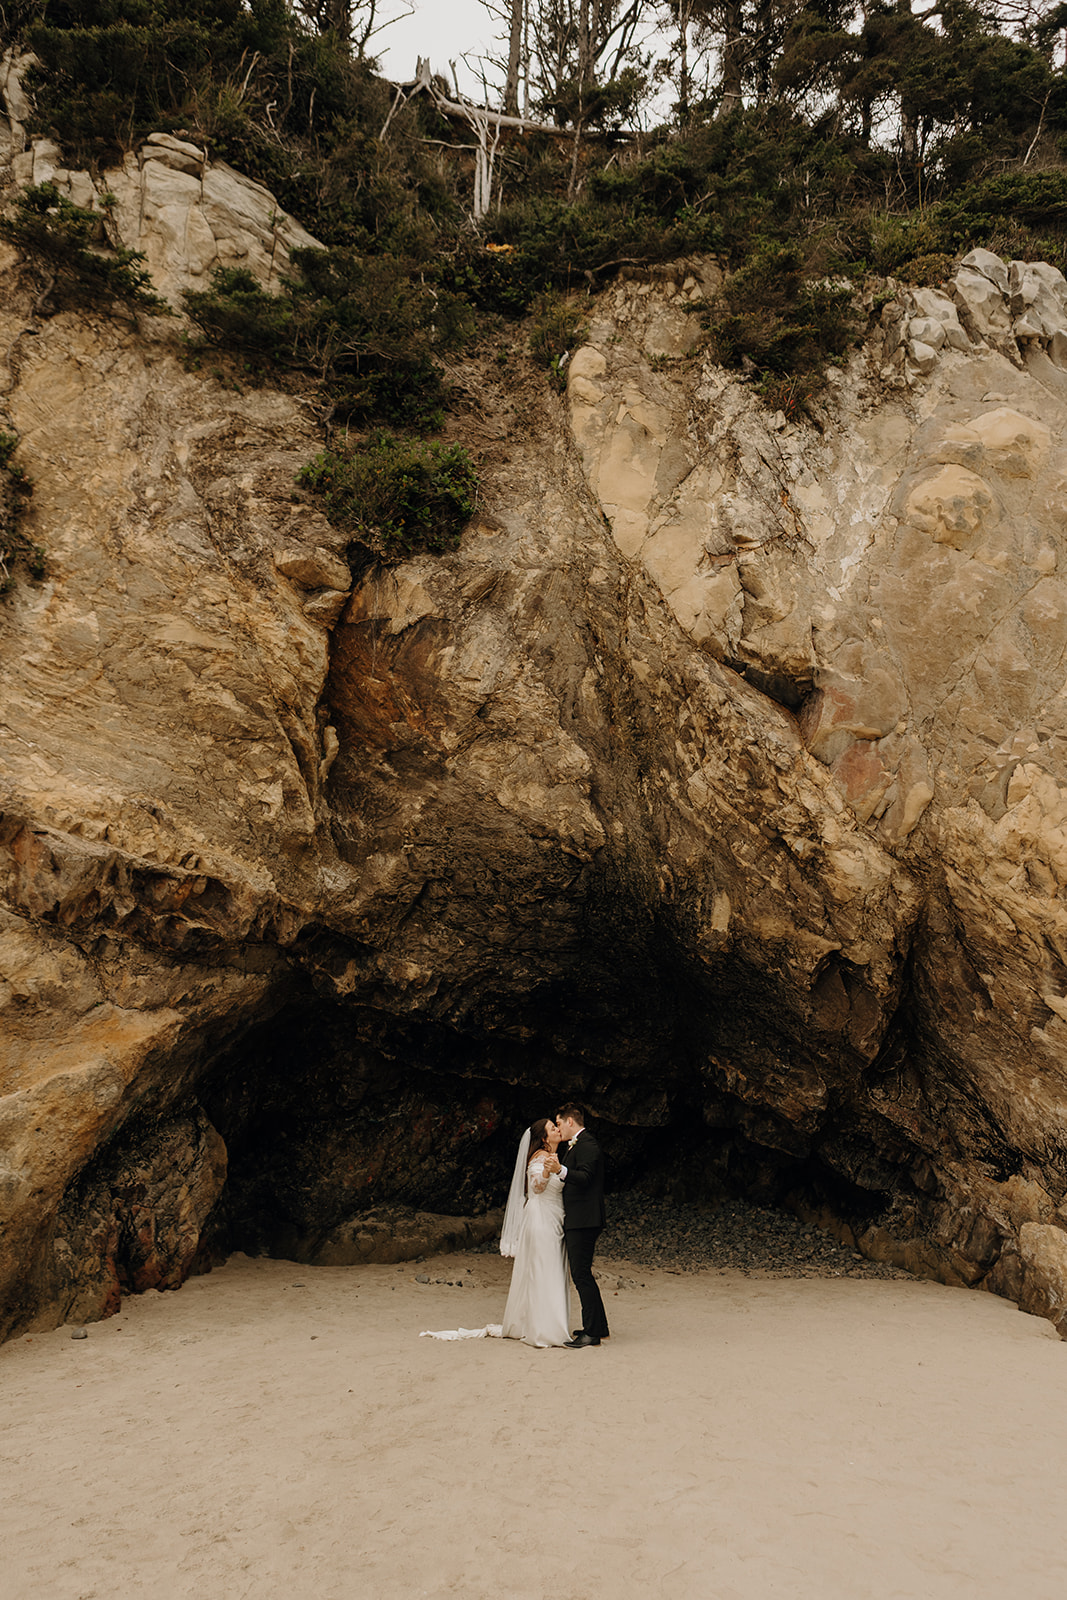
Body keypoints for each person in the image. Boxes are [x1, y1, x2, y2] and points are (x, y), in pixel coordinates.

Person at [499, 1117, 571, 1348]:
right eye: (553, 1128)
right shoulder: (539, 1157)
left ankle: (549, 1324)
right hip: (540, 1218)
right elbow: (536, 1188)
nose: (558, 1130)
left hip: (555, 1216)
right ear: (543, 1138)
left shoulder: (557, 1156)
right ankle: (543, 1330)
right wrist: (549, 1172)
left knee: (553, 1270)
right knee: (543, 1269)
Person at [556, 1103, 609, 1348]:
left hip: (584, 1220)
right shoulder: (579, 1143)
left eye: (559, 1124)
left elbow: (586, 1177)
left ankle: (591, 1333)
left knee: (581, 1274)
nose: (558, 1129)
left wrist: (561, 1171)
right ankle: (599, 1327)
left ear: (570, 1121)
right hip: (581, 1218)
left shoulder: (587, 1144)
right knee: (583, 1273)